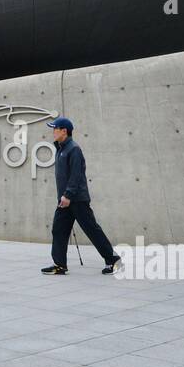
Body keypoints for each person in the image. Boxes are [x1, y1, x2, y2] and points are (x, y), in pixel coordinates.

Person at [42, 117, 121, 276]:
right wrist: (63, 197)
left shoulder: (73, 149)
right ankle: (59, 265)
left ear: (64, 131)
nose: (52, 132)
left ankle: (113, 260)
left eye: (55, 128)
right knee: (58, 230)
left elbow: (76, 176)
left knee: (91, 229)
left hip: (76, 199)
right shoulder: (60, 149)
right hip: (64, 200)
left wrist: (68, 194)